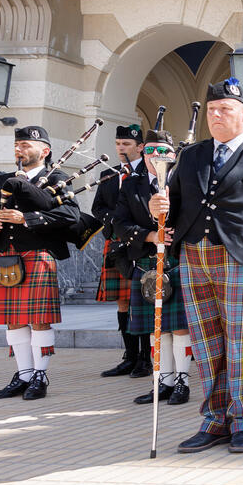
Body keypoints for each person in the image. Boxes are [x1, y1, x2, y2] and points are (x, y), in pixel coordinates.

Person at [149, 79, 243, 454]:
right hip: (194, 256)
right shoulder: (192, 155)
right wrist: (159, 211)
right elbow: (177, 203)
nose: (216, 116)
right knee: (206, 344)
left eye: (225, 109)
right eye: (212, 110)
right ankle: (215, 421)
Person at [0, 126, 81, 401]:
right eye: (17, 144)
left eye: (26, 145)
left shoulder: (57, 178)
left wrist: (26, 219)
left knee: (39, 320)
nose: (19, 149)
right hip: (7, 256)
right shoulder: (4, 179)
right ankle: (23, 375)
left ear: (44, 151)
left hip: (38, 254)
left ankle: (40, 377)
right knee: (13, 320)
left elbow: (71, 215)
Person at [113, 129, 192, 406]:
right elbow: (118, 224)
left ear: (172, 155)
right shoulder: (131, 185)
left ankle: (182, 381)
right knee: (156, 329)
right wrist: (149, 235)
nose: (156, 157)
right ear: (143, 151)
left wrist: (171, 229)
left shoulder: (184, 181)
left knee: (179, 327)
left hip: (177, 260)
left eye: (163, 152)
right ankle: (163, 381)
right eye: (151, 151)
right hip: (147, 262)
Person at [94, 124, 149, 379]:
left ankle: (147, 358)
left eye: (126, 144)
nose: (120, 149)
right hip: (116, 242)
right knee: (123, 301)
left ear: (140, 147)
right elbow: (98, 208)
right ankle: (130, 356)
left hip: (141, 243)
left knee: (146, 297)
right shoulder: (108, 175)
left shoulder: (150, 173)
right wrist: (115, 220)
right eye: (118, 144)